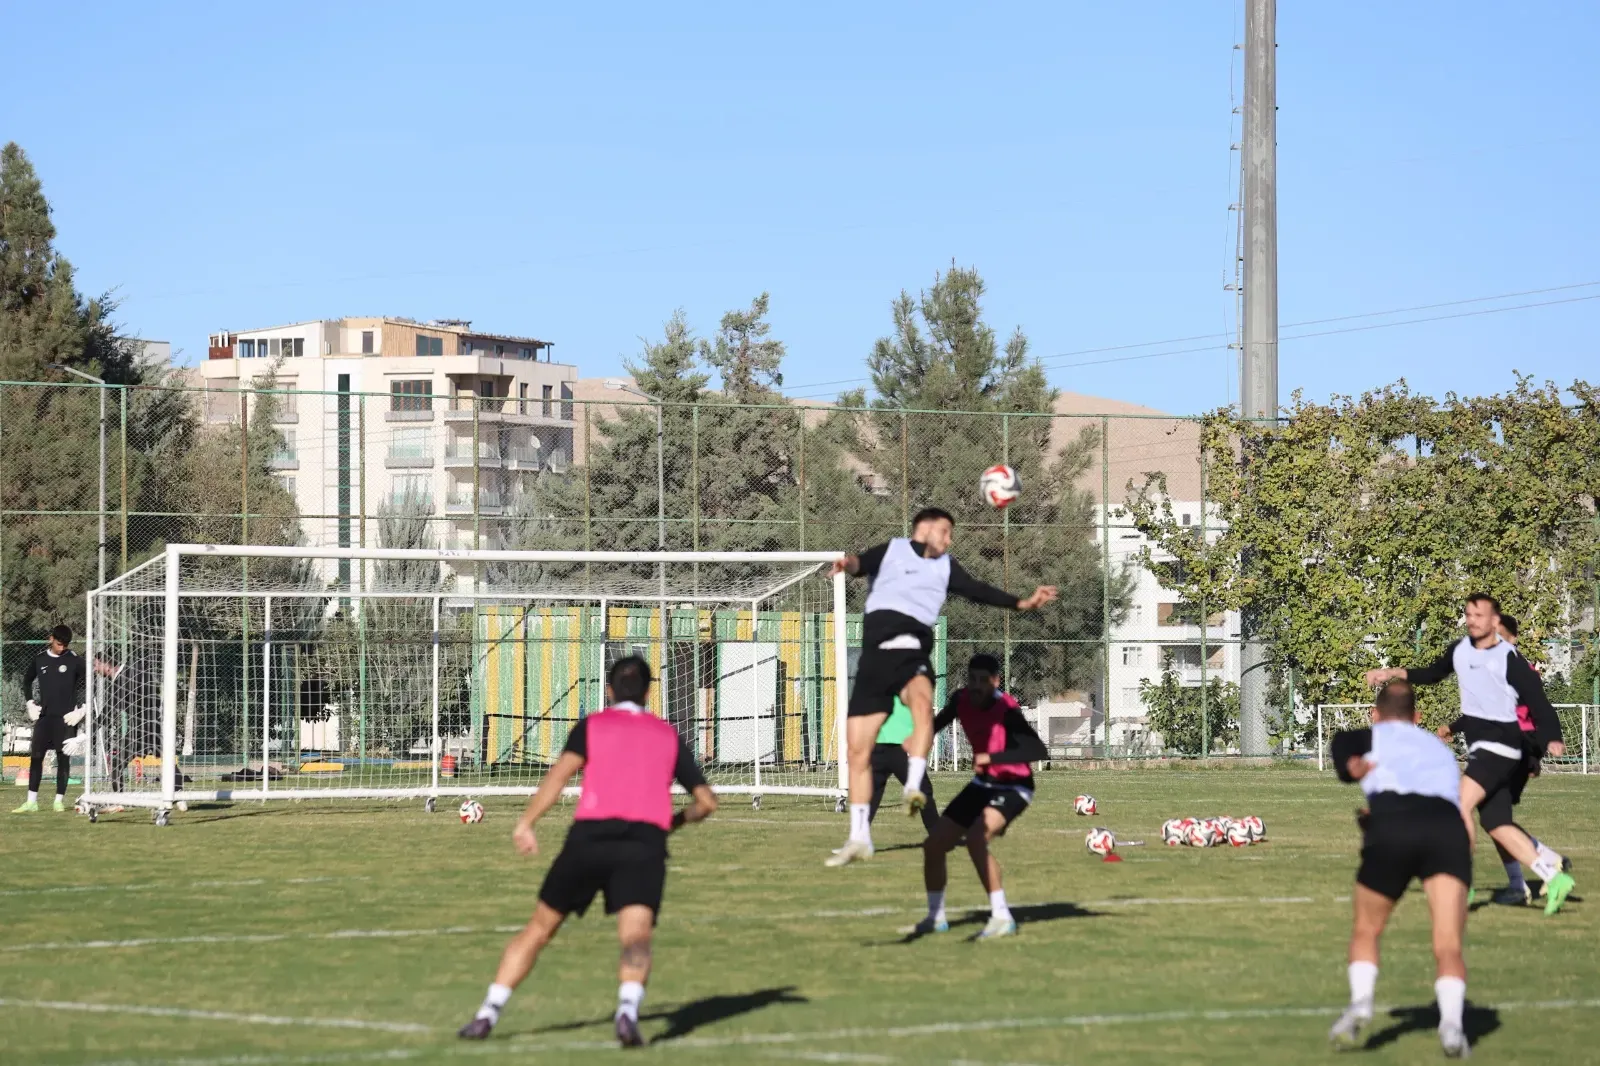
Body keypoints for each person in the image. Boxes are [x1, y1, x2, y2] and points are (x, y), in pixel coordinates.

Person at [456, 657, 717, 1048]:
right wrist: (673, 822)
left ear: (609, 690)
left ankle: (487, 1014)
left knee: (539, 929)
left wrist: (526, 823)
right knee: (636, 937)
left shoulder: (592, 725)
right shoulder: (667, 735)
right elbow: (707, 802)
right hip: (643, 844)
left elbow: (559, 776)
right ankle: (627, 1012)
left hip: (590, 839)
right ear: (649, 692)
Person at [826, 508, 1056, 866]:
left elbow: (978, 590)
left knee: (921, 706)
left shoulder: (946, 566)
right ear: (926, 527)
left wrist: (1022, 603)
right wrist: (848, 563)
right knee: (857, 751)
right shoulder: (892, 550)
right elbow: (860, 563)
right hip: (874, 659)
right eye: (945, 531)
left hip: (911, 654)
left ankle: (914, 785)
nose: (949, 540)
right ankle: (859, 837)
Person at [1365, 592, 1576, 916]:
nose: (1473, 621)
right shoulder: (1460, 650)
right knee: (1496, 822)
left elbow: (1538, 701)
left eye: (1480, 615)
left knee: (1458, 805)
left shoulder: (1508, 657)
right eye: (1469, 615)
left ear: (1494, 620)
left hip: (1500, 746)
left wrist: (1552, 737)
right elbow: (1432, 673)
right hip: (1487, 748)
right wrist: (1390, 672)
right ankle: (1553, 876)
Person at [1327, 680, 1473, 1058]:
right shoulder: (1439, 749)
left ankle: (1361, 1003)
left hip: (1393, 825)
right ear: (1418, 717)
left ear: (1375, 716)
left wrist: (1350, 770)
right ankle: (1452, 1024)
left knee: (1367, 929)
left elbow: (1342, 744)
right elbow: (1447, 803)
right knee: (1448, 943)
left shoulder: (1371, 736)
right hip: (1447, 832)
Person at [910, 654, 1048, 940]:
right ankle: (935, 917)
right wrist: (917, 737)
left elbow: (1037, 750)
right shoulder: (961, 699)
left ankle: (1002, 917)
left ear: (995, 682)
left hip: (1014, 786)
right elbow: (936, 724)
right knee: (933, 845)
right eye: (971, 679)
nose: (975, 686)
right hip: (982, 784)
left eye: (982, 680)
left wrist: (992, 757)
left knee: (976, 838)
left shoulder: (1007, 710)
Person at [1448, 614, 1567, 906]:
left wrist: (1536, 753)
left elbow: (1538, 710)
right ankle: (1542, 871)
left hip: (1509, 751)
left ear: (1511, 637)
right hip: (1507, 750)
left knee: (1469, 808)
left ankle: (1465, 883)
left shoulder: (1514, 666)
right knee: (1495, 820)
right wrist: (1453, 727)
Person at [13, 625, 87, 814]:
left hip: (66, 719)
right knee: (36, 757)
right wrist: (30, 702)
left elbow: (90, 681)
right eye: (59, 644)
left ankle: (58, 801)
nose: (62, 648)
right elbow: (27, 680)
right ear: (51, 639)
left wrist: (83, 708)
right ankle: (31, 802)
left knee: (63, 759)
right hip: (45, 718)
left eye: (65, 645)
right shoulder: (40, 660)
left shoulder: (74, 660)